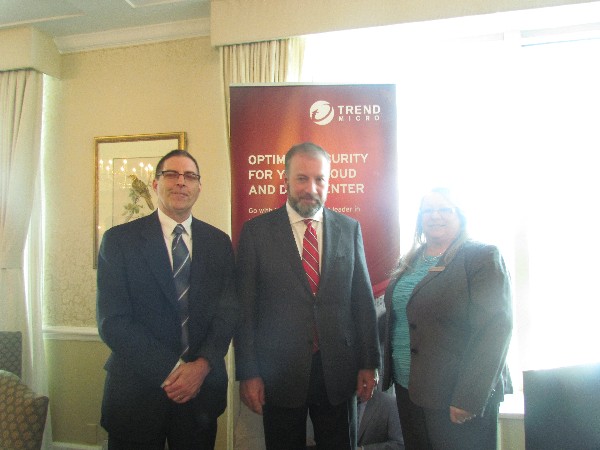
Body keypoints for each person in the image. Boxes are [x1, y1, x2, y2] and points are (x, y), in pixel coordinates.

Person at [235, 142, 381, 450]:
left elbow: (362, 302)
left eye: (319, 179)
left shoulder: (349, 229)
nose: (310, 188)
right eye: (302, 178)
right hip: (279, 374)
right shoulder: (256, 232)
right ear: (285, 179)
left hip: (338, 373)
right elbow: (245, 310)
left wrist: (369, 362)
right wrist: (248, 373)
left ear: (329, 182)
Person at [96, 149, 238, 449]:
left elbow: (227, 314)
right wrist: (173, 371)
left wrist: (200, 367)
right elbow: (112, 322)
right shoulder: (119, 241)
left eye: (190, 176)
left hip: (200, 394)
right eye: (171, 174)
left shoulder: (219, 243)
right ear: (155, 183)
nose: (181, 182)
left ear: (199, 187)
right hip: (136, 393)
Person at [381, 187, 512, 450]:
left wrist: (468, 397)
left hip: (455, 395)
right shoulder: (411, 260)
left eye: (444, 209)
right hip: (410, 390)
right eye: (428, 211)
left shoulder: (480, 256)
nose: (435, 216)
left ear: (460, 215)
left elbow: (495, 330)